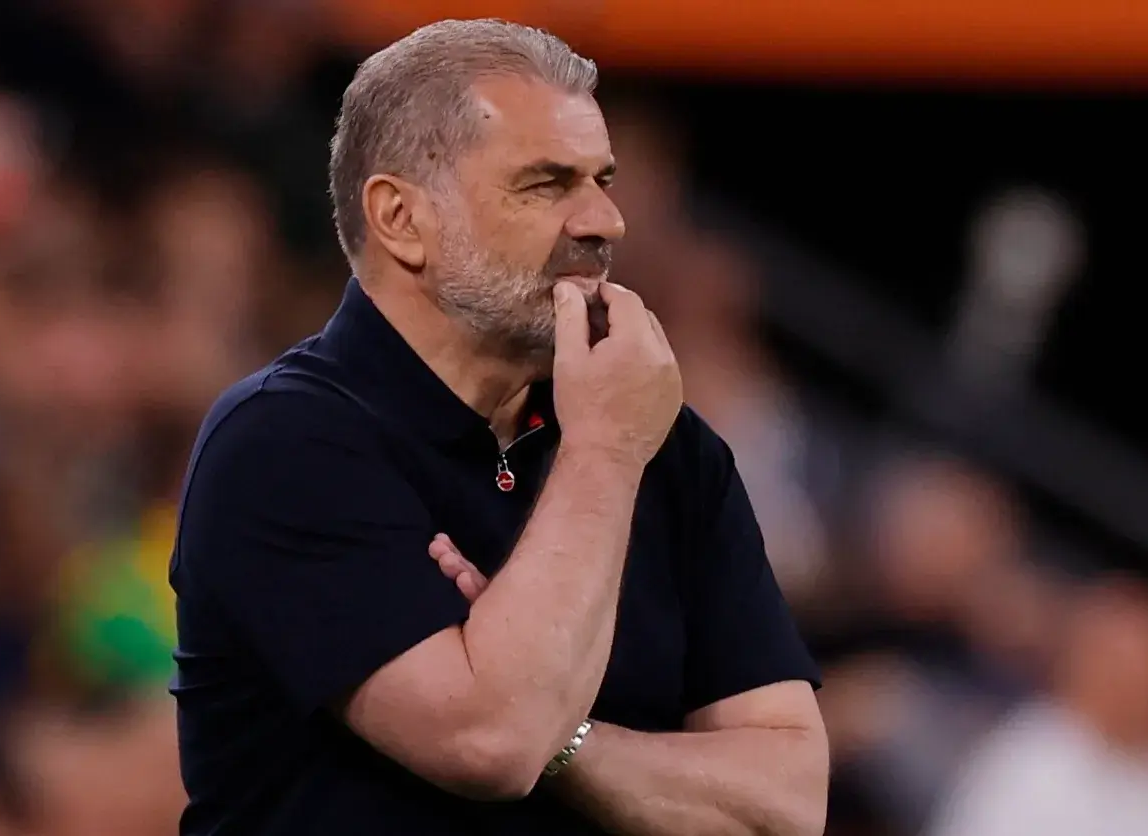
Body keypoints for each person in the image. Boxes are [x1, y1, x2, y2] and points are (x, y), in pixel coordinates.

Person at [168, 18, 828, 836]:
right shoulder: (281, 442)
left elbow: (786, 809)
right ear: (400, 218)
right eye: (546, 184)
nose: (606, 221)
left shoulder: (668, 446)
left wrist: (569, 734)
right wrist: (603, 452)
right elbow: (492, 742)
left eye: (603, 180)